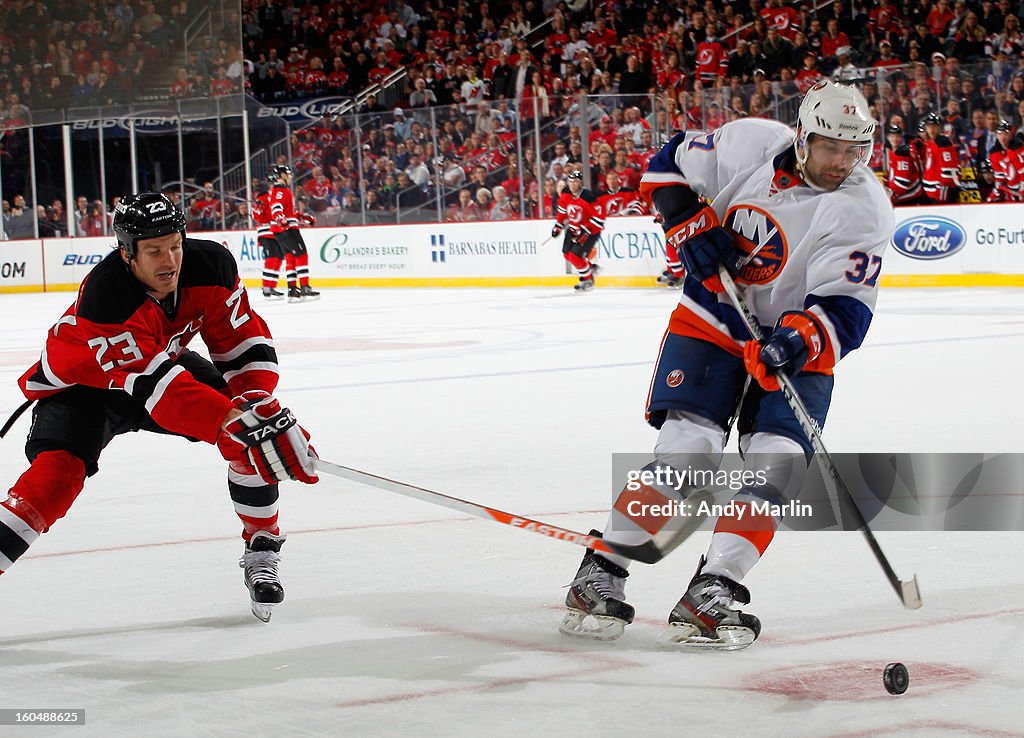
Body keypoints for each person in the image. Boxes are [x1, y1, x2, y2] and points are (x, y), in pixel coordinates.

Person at [559, 81, 894, 649]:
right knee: (688, 455)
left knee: (779, 465)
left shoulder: (865, 209)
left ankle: (713, 588)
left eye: (855, 149)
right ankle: (601, 569)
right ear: (803, 135)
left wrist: (793, 343)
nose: (843, 161)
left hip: (793, 341)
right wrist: (687, 220)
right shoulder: (749, 144)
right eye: (831, 147)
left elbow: (846, 309)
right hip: (711, 322)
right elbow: (666, 168)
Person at [0, 193, 319, 622]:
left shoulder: (212, 266)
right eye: (153, 251)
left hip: (156, 363)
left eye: (175, 245)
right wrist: (237, 422)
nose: (169, 260)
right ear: (127, 252)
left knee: (251, 434)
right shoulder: (106, 296)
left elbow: (241, 346)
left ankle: (261, 543)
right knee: (54, 479)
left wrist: (257, 405)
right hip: (86, 384)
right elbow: (164, 395)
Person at [267, 165, 320, 302]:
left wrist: (301, 216)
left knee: (290, 257)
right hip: (287, 230)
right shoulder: (280, 190)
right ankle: (304, 287)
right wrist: (281, 219)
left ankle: (292, 289)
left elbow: (286, 212)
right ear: (282, 175)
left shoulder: (280, 190)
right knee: (302, 255)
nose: (290, 177)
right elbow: (276, 208)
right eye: (288, 174)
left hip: (281, 230)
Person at [551, 169, 605, 292]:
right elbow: (563, 212)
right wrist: (558, 226)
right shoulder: (565, 194)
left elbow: (599, 219)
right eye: (570, 182)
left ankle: (588, 279)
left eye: (575, 182)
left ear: (580, 182)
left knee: (575, 256)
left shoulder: (588, 197)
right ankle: (591, 268)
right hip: (573, 229)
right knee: (567, 254)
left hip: (590, 231)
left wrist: (585, 231)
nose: (572, 184)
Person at [252, 182, 286, 299]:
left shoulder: (266, 198)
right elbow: (257, 216)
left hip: (274, 231)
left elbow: (256, 215)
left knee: (277, 258)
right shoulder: (263, 198)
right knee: (273, 258)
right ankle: (267, 286)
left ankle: (271, 286)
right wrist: (257, 209)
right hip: (267, 232)